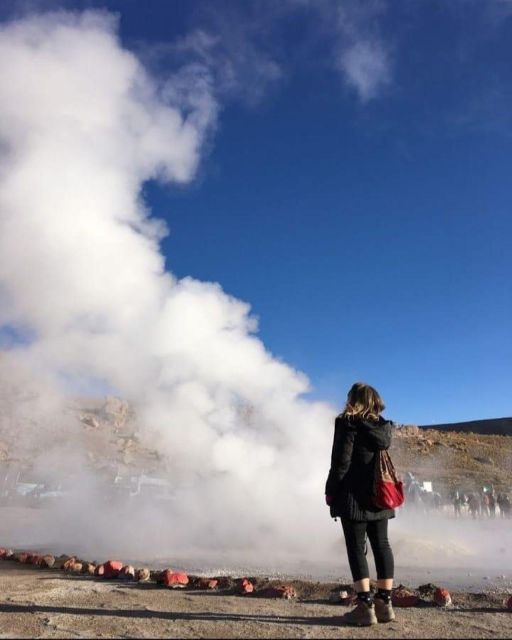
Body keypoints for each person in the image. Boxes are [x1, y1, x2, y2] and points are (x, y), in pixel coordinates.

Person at [325, 382, 396, 627]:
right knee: (382, 545)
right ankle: (384, 605)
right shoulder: (383, 427)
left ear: (353, 399)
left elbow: (341, 462)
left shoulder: (347, 422)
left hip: (353, 497)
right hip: (380, 495)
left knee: (356, 548)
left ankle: (365, 608)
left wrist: (330, 491)